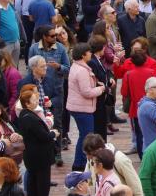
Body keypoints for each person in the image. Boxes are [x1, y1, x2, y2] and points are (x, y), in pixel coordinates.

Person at [67, 42, 105, 171]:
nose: (91, 54)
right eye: (89, 52)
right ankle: (79, 164)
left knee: (84, 135)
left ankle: (80, 163)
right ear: (83, 55)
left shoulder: (77, 66)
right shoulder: (82, 70)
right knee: (85, 136)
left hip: (78, 106)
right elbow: (86, 92)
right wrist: (101, 89)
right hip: (82, 108)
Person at [15, 87, 58, 196]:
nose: (37, 102)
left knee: (34, 183)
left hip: (33, 155)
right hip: (40, 157)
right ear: (27, 104)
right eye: (34, 100)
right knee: (41, 184)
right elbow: (43, 136)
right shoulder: (29, 117)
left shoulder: (25, 115)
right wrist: (54, 134)